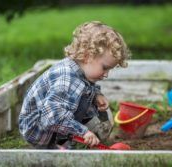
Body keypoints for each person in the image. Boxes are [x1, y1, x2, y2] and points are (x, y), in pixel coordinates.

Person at [19, 21, 131, 149]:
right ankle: (58, 145)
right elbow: (52, 117)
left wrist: (96, 94)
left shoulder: (80, 68)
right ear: (87, 56)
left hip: (52, 118)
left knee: (97, 108)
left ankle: (68, 139)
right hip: (40, 131)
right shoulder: (66, 79)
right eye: (104, 68)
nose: (106, 74)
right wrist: (83, 131)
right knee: (81, 117)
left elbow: (86, 84)